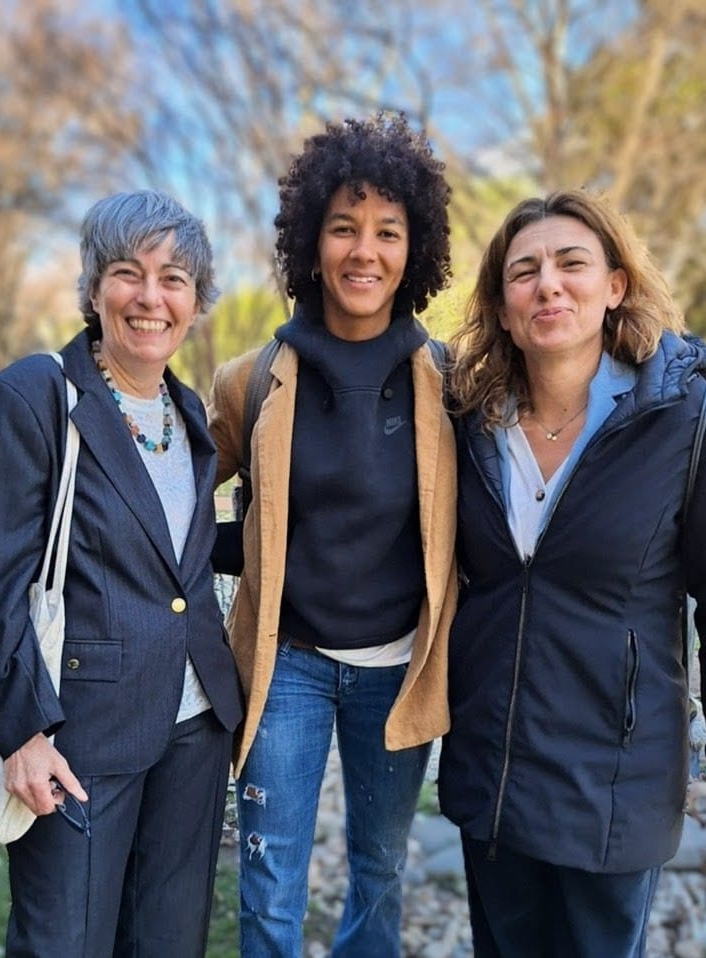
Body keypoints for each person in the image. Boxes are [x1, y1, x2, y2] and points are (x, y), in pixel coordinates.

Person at [439, 189, 706, 957]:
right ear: (501, 308)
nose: (548, 286)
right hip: (494, 768)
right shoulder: (469, 426)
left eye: (572, 264)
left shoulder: (691, 420)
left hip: (615, 777)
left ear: (615, 286)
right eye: (523, 272)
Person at [0, 189, 244, 957]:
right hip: (77, 735)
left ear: (196, 302)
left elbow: (174, 555)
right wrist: (23, 734)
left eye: (174, 279)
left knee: (168, 943)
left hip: (193, 729)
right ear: (94, 289)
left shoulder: (189, 414)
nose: (151, 297)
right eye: (128, 273)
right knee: (65, 942)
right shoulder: (32, 397)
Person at [207, 112, 457, 956]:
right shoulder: (250, 381)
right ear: (312, 244)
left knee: (380, 870)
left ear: (413, 252)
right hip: (289, 668)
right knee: (270, 883)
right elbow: (169, 501)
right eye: (344, 227)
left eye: (388, 231)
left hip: (399, 668)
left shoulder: (448, 383)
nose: (364, 251)